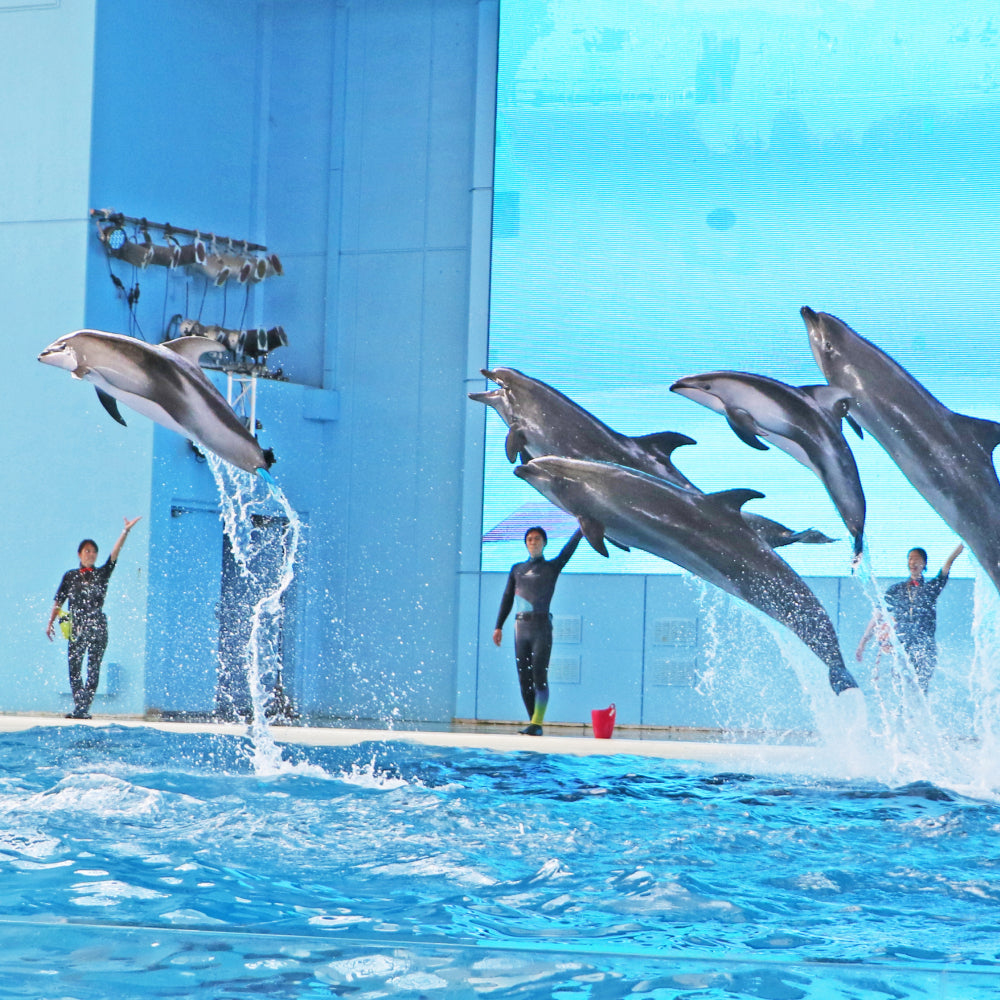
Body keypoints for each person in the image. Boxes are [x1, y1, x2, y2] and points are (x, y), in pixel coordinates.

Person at [46, 517, 141, 719]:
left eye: (93, 551)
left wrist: (125, 532)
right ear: (80, 554)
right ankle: (79, 705)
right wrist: (50, 623)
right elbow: (59, 601)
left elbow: (114, 555)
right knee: (74, 667)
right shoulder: (70, 576)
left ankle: (84, 708)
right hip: (74, 626)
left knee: (93, 667)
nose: (90, 554)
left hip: (97, 625)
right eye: (87, 551)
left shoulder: (103, 573)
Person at [493, 525, 582, 735]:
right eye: (530, 539)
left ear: (544, 543)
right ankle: (534, 722)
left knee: (539, 674)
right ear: (526, 544)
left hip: (541, 626)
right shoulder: (517, 569)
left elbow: (567, 551)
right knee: (524, 678)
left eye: (537, 539)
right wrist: (498, 626)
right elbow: (507, 598)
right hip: (520, 627)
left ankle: (537, 723)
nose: (533, 542)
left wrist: (581, 530)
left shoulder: (551, 567)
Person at [856, 542, 964, 693]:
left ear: (924, 563)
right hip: (902, 646)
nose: (912, 562)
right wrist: (863, 642)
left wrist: (963, 544)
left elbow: (948, 564)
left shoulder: (931, 588)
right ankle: (903, 714)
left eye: (917, 559)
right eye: (910, 558)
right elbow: (878, 616)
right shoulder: (896, 590)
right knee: (902, 688)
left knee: (921, 688)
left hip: (925, 647)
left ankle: (920, 714)